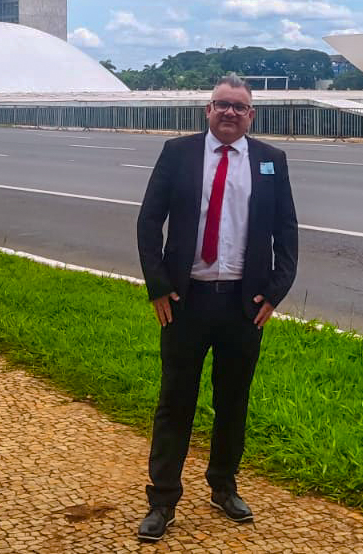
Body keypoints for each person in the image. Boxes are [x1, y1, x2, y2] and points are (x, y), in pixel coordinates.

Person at [134, 74, 299, 543]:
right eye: (221, 105)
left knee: (233, 401)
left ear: (252, 115)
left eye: (239, 107)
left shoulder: (271, 160)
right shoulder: (178, 153)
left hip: (243, 306)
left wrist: (276, 289)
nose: (229, 113)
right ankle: (162, 499)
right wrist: (158, 286)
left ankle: (223, 486)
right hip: (186, 302)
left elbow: (287, 230)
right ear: (207, 110)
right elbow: (149, 221)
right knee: (175, 402)